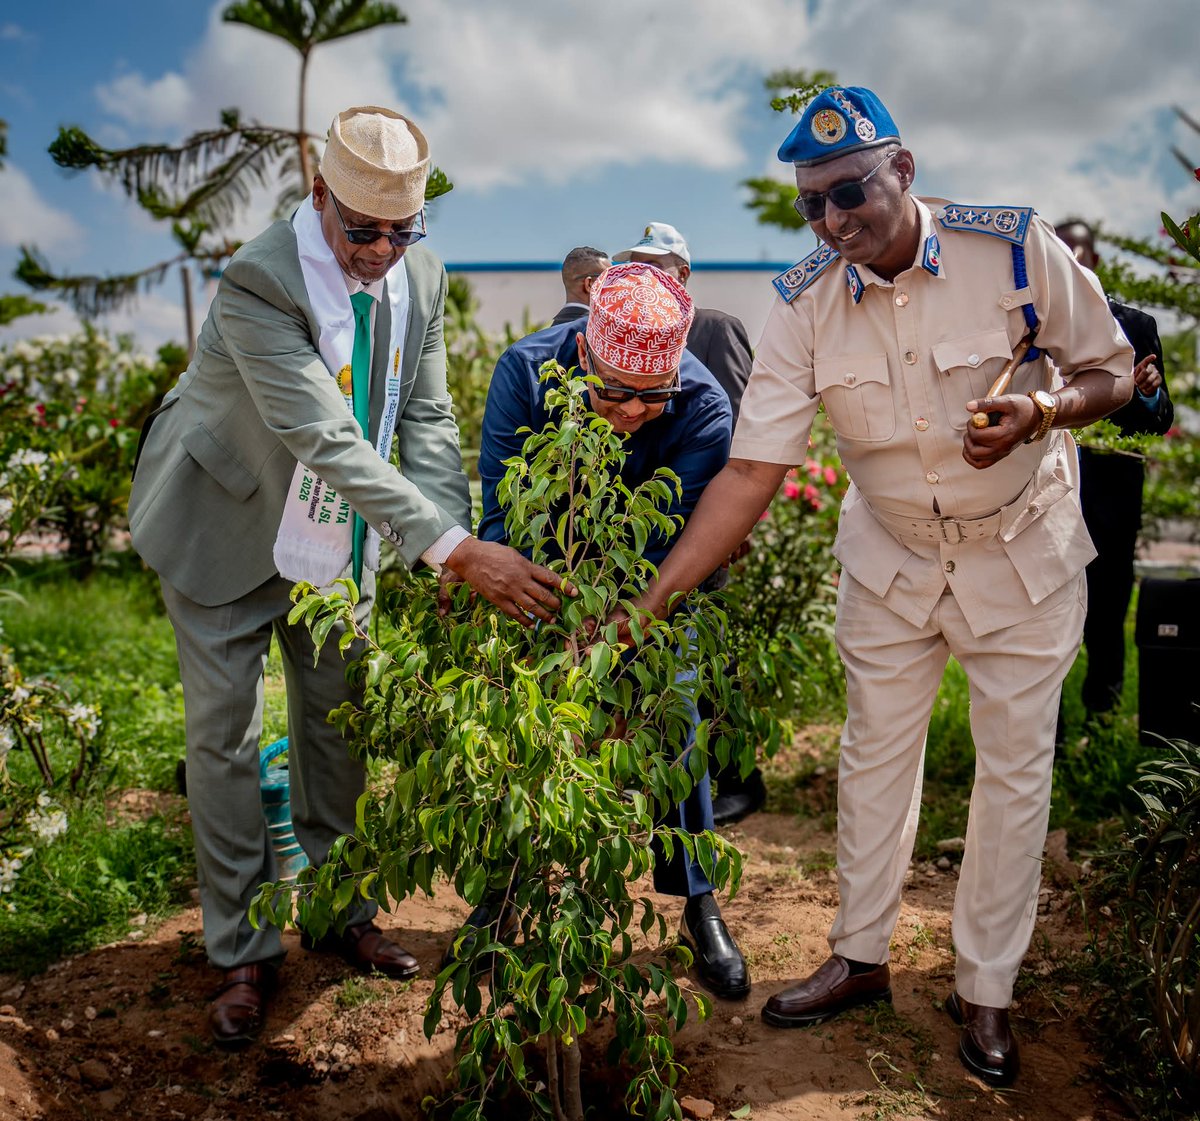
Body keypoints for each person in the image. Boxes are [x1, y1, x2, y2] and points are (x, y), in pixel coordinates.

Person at [622, 87, 1133, 1086]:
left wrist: (1042, 410)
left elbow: (1113, 370)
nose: (833, 219)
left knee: (1013, 776)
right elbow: (752, 470)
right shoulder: (805, 298)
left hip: (1019, 551)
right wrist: (654, 602)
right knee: (872, 761)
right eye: (812, 202)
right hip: (892, 559)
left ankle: (985, 988)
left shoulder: (1013, 249)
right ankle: (859, 956)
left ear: (902, 168)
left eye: (849, 191)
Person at [128, 106, 567, 1048]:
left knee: (338, 723)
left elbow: (427, 420)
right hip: (224, 518)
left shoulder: (422, 276)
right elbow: (323, 436)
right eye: (362, 230)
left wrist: (446, 536)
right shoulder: (259, 280)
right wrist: (454, 549)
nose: (379, 251)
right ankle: (242, 947)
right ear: (320, 196)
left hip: (337, 537)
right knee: (225, 744)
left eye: (401, 231)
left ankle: (338, 909)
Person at [462, 262, 750, 1001]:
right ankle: (502, 890)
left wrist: (627, 624)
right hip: (540, 579)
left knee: (674, 710)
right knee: (518, 720)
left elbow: (675, 541)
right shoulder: (526, 373)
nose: (631, 411)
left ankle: (697, 900)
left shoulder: (702, 405)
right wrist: (553, 615)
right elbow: (504, 511)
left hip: (651, 588)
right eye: (614, 390)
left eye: (652, 396)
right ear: (585, 353)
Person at [613, 221, 764, 825]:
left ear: (684, 275)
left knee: (704, 652)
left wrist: (736, 526)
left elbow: (748, 438)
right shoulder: (619, 331)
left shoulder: (714, 329)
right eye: (637, 263)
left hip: (704, 520)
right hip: (638, 528)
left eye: (658, 265)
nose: (647, 275)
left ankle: (738, 780)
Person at [1053, 219, 1174, 720]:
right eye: (1060, 255)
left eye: (1078, 254)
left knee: (1107, 617)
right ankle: (1049, 737)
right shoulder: (1033, 329)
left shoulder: (1137, 327)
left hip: (1112, 502)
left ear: (1095, 261)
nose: (1071, 264)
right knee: (1045, 623)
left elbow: (1162, 420)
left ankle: (1102, 721)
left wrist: (1146, 395)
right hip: (1046, 503)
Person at [550, 245, 611, 326]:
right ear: (589, 284)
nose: (616, 285)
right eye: (609, 278)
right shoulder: (600, 330)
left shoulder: (548, 331)